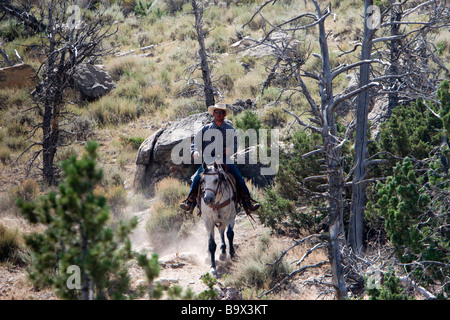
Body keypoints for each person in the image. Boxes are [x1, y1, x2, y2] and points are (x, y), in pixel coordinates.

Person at [180, 103, 260, 213]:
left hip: (225, 158)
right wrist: (195, 151)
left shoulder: (230, 130)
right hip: (209, 159)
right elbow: (195, 143)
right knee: (196, 178)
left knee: (239, 178)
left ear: (225, 115)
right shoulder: (205, 129)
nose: (219, 114)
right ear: (213, 113)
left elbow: (235, 145)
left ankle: (248, 203)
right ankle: (189, 203)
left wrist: (231, 149)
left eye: (222, 112)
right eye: (217, 112)